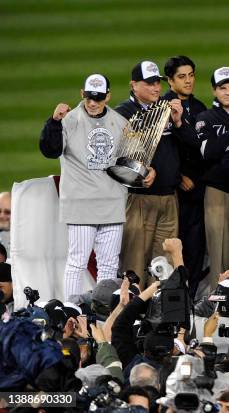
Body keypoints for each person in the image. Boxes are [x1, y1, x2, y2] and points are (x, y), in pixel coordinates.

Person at [39, 73, 129, 299]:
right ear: (82, 94)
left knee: (108, 265)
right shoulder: (68, 120)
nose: (92, 103)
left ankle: (103, 313)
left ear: (108, 96)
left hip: (112, 204)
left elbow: (128, 163)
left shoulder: (120, 123)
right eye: (89, 97)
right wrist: (54, 122)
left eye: (98, 98)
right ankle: (72, 312)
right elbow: (50, 151)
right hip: (81, 204)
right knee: (77, 261)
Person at [116, 60, 200, 289]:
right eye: (149, 83)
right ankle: (131, 316)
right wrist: (142, 168)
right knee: (135, 264)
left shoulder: (166, 107)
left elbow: (193, 144)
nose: (156, 88)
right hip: (140, 199)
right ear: (134, 85)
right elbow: (119, 154)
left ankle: (159, 317)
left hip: (169, 198)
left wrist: (179, 122)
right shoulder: (123, 113)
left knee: (163, 266)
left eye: (157, 83)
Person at [195, 66, 229, 296]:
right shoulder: (206, 118)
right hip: (218, 193)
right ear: (214, 91)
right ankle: (218, 306)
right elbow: (208, 151)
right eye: (222, 88)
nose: (228, 92)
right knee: (220, 256)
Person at [162, 55, 208, 298]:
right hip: (174, 190)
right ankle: (172, 299)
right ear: (170, 81)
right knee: (173, 247)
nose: (188, 81)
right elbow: (159, 150)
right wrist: (179, 176)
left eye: (191, 75)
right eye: (182, 76)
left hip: (198, 189)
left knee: (196, 247)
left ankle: (190, 299)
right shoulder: (161, 108)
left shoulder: (200, 107)